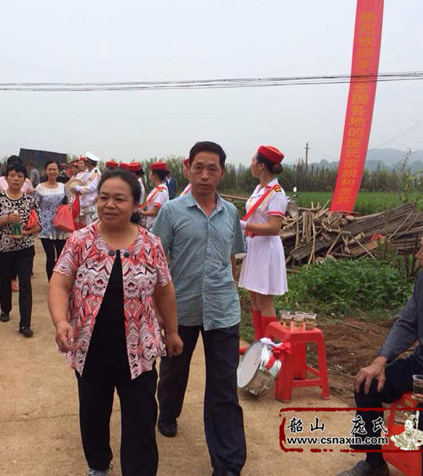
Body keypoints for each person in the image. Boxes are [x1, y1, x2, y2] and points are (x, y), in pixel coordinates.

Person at [48, 169, 183, 476]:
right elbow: (60, 282)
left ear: (136, 204)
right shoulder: (80, 240)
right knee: (93, 412)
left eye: (119, 199)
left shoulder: (151, 244)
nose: (109, 204)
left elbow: (164, 291)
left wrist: (172, 331)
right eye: (103, 197)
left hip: (139, 349)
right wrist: (60, 321)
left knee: (141, 418)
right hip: (91, 346)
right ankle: (98, 465)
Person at [151, 141, 246, 476]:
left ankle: (228, 462)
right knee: (174, 371)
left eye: (212, 169)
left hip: (223, 310)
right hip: (182, 309)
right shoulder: (171, 212)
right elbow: (156, 262)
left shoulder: (231, 213)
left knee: (223, 387)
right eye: (199, 168)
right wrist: (159, 313)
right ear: (188, 169)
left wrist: (229, 288)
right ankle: (167, 412)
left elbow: (231, 258)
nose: (205, 175)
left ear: (222, 172)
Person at [337, 223, 423, 476]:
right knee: (366, 384)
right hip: (422, 364)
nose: (417, 256)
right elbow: (408, 323)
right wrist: (380, 360)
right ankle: (374, 464)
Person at [237, 146, 288, 341]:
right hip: (254, 247)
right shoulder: (259, 189)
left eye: (253, 160)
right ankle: (258, 344)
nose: (250, 164)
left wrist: (243, 225)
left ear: (261, 165)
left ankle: (268, 348)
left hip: (266, 249)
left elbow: (274, 227)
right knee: (255, 301)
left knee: (265, 301)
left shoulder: (277, 193)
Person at [0, 162, 40, 337]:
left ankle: (25, 324)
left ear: (25, 180)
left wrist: (27, 232)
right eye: (12, 175)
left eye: (20, 176)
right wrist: (6, 219)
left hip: (25, 247)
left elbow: (39, 225)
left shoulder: (30, 200)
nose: (16, 179)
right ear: (6, 177)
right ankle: (5, 308)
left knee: (25, 283)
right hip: (3, 247)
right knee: (4, 278)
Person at [34, 160, 69, 280]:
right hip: (46, 227)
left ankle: (59, 281)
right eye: (50, 169)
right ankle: (51, 282)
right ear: (46, 171)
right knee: (50, 257)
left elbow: (67, 203)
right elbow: (35, 206)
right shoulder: (40, 188)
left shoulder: (63, 187)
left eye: (55, 169)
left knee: (61, 256)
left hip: (61, 226)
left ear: (58, 171)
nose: (52, 172)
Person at [74, 153, 101, 226]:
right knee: (84, 225)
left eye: (86, 162)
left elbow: (92, 187)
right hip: (85, 202)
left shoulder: (96, 173)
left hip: (91, 202)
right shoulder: (88, 172)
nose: (85, 163)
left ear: (89, 163)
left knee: (91, 225)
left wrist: (79, 188)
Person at [139, 161, 169, 229]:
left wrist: (141, 213)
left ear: (155, 175)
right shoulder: (157, 189)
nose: (149, 174)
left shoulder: (161, 191)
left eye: (150, 172)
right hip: (152, 224)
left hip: (156, 226)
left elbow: (155, 212)